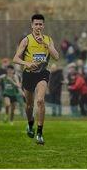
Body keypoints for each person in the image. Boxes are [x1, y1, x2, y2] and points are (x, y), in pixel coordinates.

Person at [13, 14, 60, 145]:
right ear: (32, 25)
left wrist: (47, 45)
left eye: (40, 24)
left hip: (42, 73)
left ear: (43, 26)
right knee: (29, 105)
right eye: (36, 24)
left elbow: (56, 56)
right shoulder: (26, 40)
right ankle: (30, 123)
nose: (38, 26)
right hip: (28, 74)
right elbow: (15, 58)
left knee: (40, 100)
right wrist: (26, 63)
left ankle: (39, 133)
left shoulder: (48, 40)